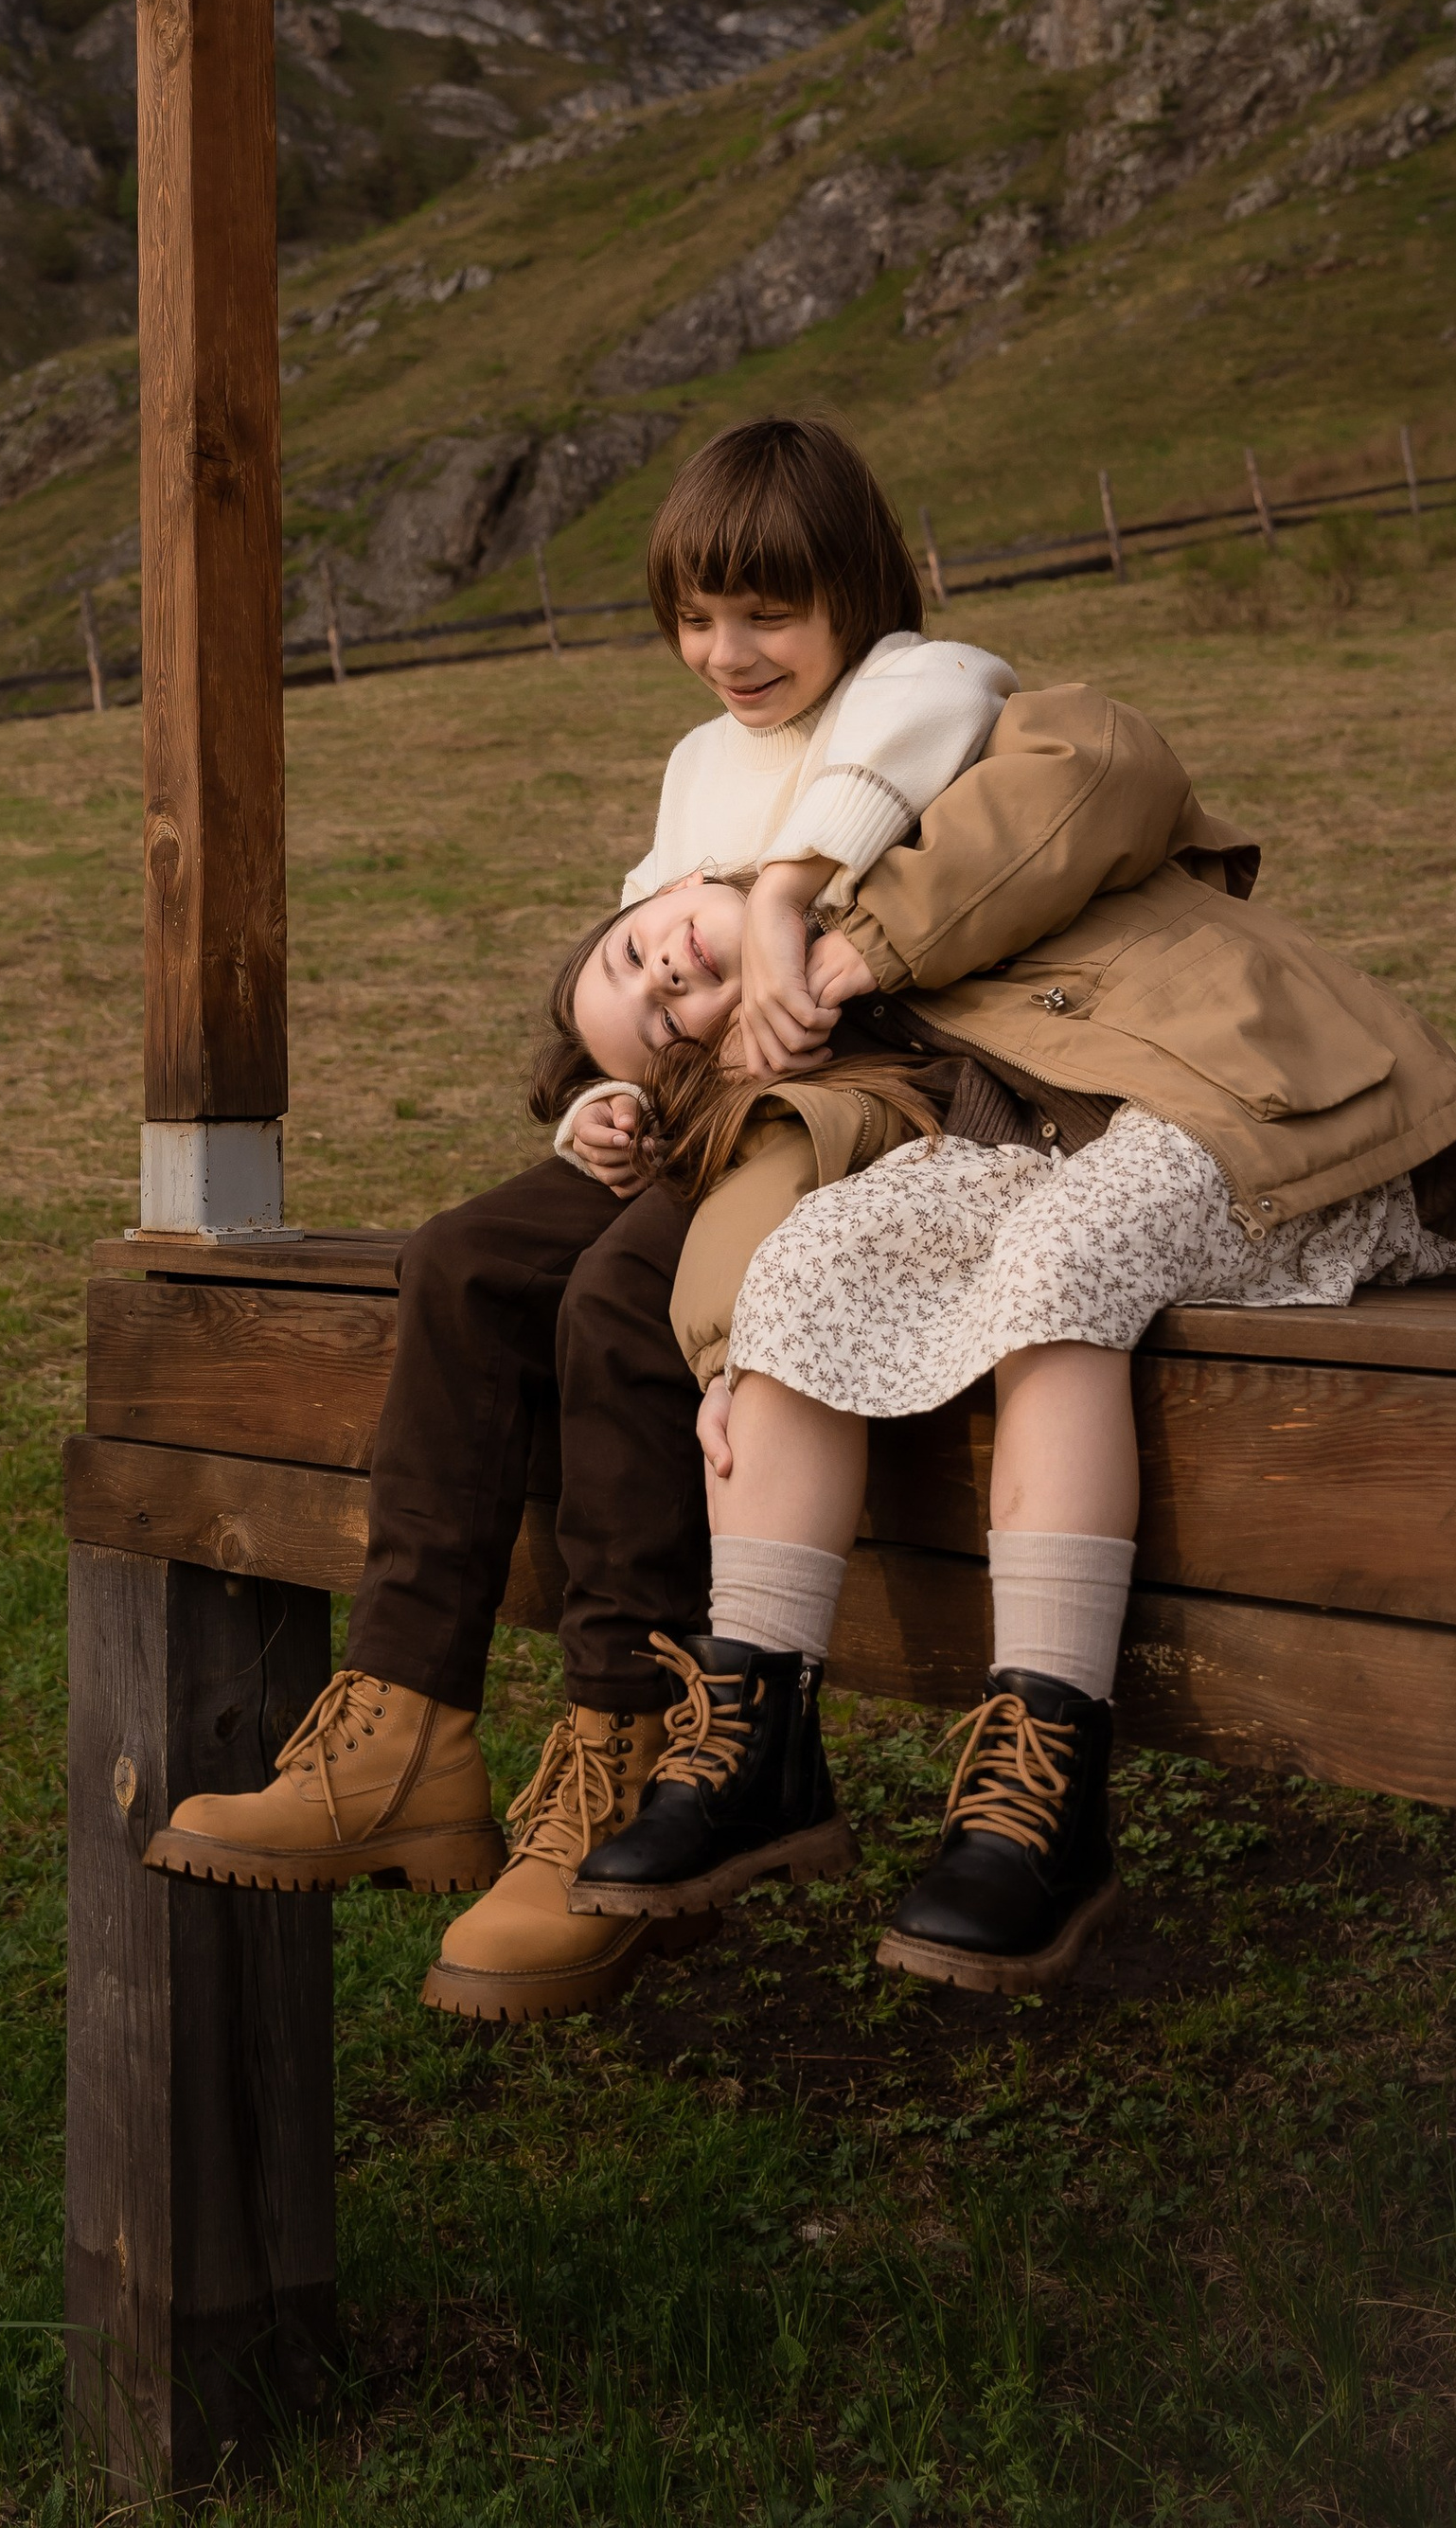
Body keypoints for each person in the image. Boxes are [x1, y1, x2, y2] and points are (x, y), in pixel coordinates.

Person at [142, 418, 1128, 2020]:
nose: (728, 655)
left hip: (853, 1112)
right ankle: (404, 1721)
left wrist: (788, 898)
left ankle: (624, 1742)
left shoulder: (929, 689)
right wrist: (599, 1097)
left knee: (616, 1296)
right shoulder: (697, 763)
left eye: (769, 615)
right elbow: (639, 963)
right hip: (697, 1120)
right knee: (464, 1262)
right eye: (696, 617)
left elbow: (914, 729)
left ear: (855, 595)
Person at [562, 752, 1456, 1994]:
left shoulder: (907, 807)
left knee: (1061, 1260)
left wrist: (858, 942)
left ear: (686, 882)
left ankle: (1049, 1782)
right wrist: (728, 1352)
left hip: (1237, 1095)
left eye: (640, 952)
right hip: (1056, 1158)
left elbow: (1105, 762)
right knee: (803, 1268)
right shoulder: (836, 1051)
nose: (668, 984)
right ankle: (762, 1739)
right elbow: (772, 1190)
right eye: (657, 1032)